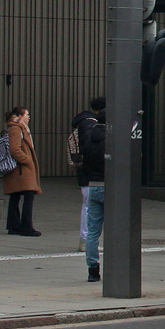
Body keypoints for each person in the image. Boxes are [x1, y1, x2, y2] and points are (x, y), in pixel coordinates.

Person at [70, 97, 104, 252]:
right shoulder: (91, 125)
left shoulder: (83, 122)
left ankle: (87, 240)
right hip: (92, 174)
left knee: (89, 206)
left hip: (86, 172)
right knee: (90, 207)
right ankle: (86, 240)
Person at [77, 106, 106, 282]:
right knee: (117, 229)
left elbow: (85, 163)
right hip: (109, 186)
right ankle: (116, 265)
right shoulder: (112, 140)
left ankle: (92, 269)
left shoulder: (90, 140)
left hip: (93, 186)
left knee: (93, 231)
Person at [3, 106, 41, 236]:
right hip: (21, 169)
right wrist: (27, 160)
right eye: (27, 114)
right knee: (28, 195)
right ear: (20, 116)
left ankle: (14, 226)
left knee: (16, 196)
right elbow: (15, 150)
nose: (29, 117)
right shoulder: (16, 129)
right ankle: (26, 227)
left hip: (20, 169)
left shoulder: (18, 128)